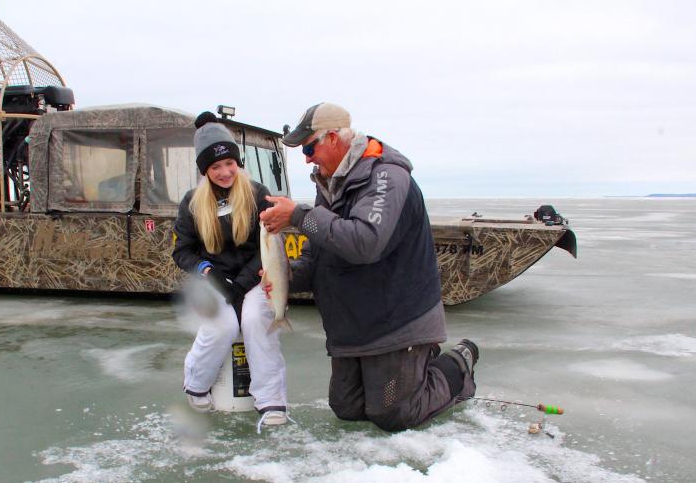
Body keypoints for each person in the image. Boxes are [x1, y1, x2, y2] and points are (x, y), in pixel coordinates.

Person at [259, 102, 477, 432]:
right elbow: (321, 254)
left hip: (398, 321)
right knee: (347, 408)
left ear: (332, 138)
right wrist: (285, 277)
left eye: (308, 147)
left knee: (392, 413)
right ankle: (414, 371)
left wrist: (299, 216)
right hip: (355, 325)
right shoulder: (329, 184)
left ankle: (457, 366)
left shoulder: (386, 178)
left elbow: (365, 243)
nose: (306, 158)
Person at [172, 111, 290, 427]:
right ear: (205, 170)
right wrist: (209, 273)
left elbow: (268, 246)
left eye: (229, 164)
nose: (225, 172)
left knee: (256, 319)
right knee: (221, 325)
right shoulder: (192, 203)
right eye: (216, 167)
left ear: (237, 163)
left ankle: (272, 401)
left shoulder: (256, 193)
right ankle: (196, 385)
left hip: (252, 279)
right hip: (215, 280)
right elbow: (182, 251)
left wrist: (241, 283)